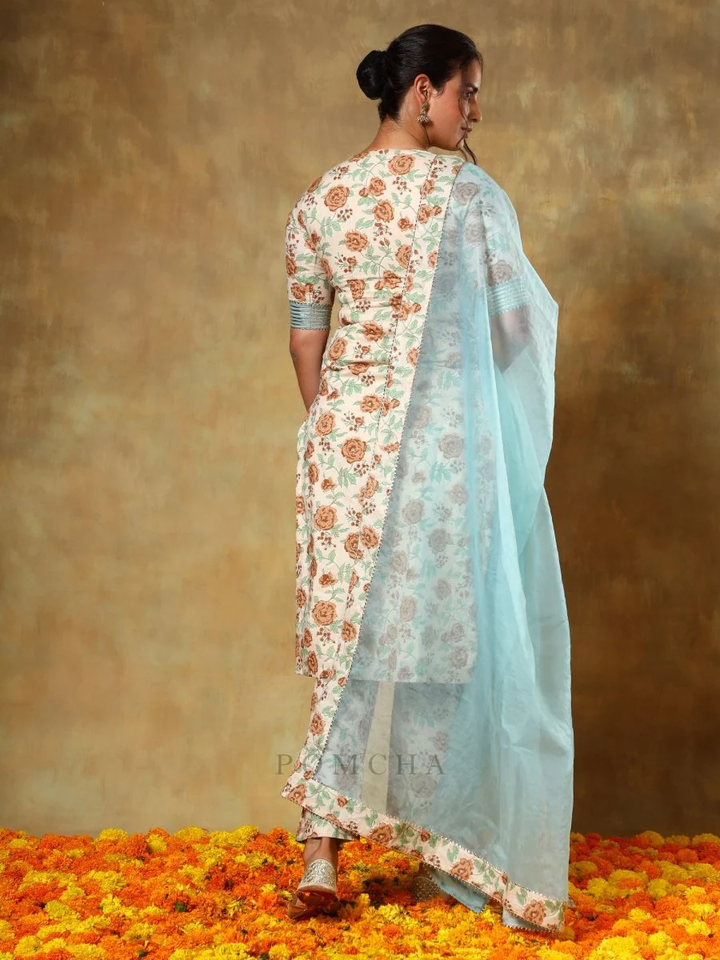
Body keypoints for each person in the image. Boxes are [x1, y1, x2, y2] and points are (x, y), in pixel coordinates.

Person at [281, 23, 575, 937]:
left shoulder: (324, 196)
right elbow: (517, 330)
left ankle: (321, 852)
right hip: (442, 453)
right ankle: (431, 852)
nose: (474, 111)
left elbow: (305, 335)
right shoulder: (471, 196)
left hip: (345, 451)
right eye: (467, 92)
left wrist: (340, 427)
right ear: (422, 93)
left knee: (351, 653)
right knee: (433, 658)